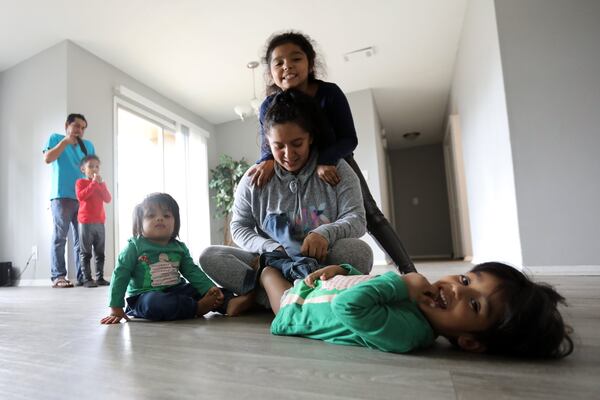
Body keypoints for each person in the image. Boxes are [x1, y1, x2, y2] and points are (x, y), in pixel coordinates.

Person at [247, 31, 417, 275]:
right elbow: (270, 144)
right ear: (270, 71)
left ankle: (409, 271)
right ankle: (290, 270)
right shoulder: (268, 105)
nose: (287, 67)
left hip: (335, 161)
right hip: (293, 168)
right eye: (279, 62)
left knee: (371, 214)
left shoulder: (330, 93)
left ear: (310, 63)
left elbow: (349, 138)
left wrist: (326, 160)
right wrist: (265, 160)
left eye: (295, 58)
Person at [200, 89, 372, 314]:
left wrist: (324, 233)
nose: (288, 154)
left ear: (310, 136)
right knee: (209, 256)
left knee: (359, 252)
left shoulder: (338, 170)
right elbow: (239, 226)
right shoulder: (254, 178)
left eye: (297, 143)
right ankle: (307, 293)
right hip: (272, 262)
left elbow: (357, 218)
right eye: (278, 146)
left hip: (320, 261)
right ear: (267, 144)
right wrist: (270, 247)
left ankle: (268, 295)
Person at [260, 261, 574, 358]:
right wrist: (340, 268)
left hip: (294, 310)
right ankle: (249, 292)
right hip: (316, 289)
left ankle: (257, 281)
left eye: (475, 303)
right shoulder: (419, 300)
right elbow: (366, 282)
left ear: (470, 341)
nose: (456, 288)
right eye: (465, 279)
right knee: (286, 273)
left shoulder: (410, 333)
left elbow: (348, 307)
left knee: (268, 275)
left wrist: (401, 282)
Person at [101, 193, 250, 324]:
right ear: (140, 224)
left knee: (201, 290)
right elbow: (120, 274)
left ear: (175, 223)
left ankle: (229, 303)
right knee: (155, 303)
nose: (159, 218)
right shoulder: (134, 247)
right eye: (151, 215)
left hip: (177, 290)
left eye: (166, 215)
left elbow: (192, 271)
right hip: (143, 296)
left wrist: (209, 289)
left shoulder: (178, 247)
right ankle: (197, 308)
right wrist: (116, 307)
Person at [43, 113, 95, 288]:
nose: (79, 130)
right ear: (67, 125)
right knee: (60, 237)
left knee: (82, 240)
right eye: (76, 126)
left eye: (82, 127)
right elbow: (48, 158)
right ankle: (58, 276)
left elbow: (91, 171)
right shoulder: (56, 138)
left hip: (83, 198)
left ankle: (83, 276)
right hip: (61, 196)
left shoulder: (88, 145)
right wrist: (65, 142)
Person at [75, 155, 112, 288]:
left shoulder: (101, 184)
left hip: (100, 222)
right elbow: (81, 196)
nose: (94, 169)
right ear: (83, 169)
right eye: (90, 166)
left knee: (100, 252)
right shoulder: (80, 182)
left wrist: (100, 184)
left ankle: (100, 278)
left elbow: (108, 199)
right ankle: (86, 279)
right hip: (85, 222)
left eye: (97, 166)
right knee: (85, 253)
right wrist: (94, 183)